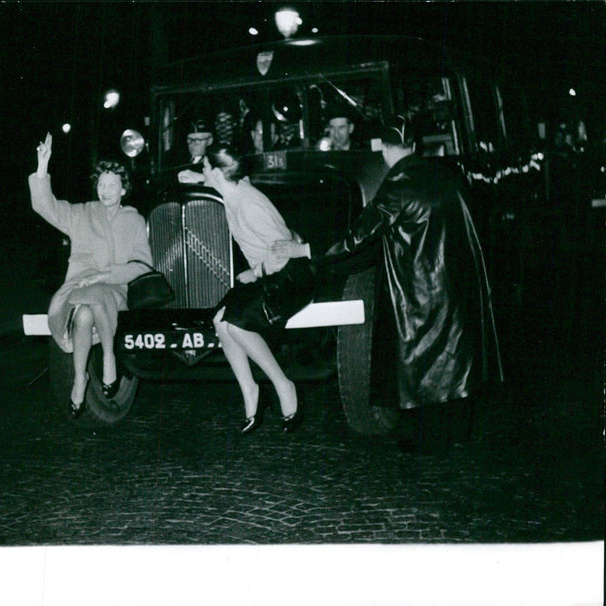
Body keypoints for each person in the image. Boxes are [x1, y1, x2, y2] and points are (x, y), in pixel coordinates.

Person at [312, 115, 502, 454]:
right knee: (452, 363)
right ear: (413, 146)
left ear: (384, 149)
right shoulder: (445, 176)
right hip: (453, 286)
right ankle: (455, 433)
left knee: (421, 365)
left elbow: (358, 237)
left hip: (419, 288)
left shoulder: (397, 185)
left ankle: (425, 439)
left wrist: (309, 250)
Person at [29, 132, 153, 418]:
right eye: (101, 184)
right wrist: (42, 167)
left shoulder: (134, 220)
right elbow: (44, 206)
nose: (105, 189)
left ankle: (108, 357)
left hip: (115, 288)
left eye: (112, 185)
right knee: (84, 310)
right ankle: (80, 377)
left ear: (124, 189)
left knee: (91, 302)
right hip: (80, 284)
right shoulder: (82, 213)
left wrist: (106, 275)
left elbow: (143, 266)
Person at [203, 146, 314, 435]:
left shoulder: (248, 203)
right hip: (266, 275)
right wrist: (195, 176)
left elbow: (284, 250)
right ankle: (251, 391)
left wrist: (256, 272)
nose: (201, 171)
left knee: (238, 326)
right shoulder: (234, 192)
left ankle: (283, 385)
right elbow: (218, 176)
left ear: (217, 173)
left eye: (204, 167)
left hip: (289, 276)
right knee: (220, 320)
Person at [177, 119, 214, 184]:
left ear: (209, 141)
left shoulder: (215, 161)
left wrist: (202, 177)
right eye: (190, 139)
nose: (193, 144)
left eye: (198, 140)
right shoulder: (177, 159)